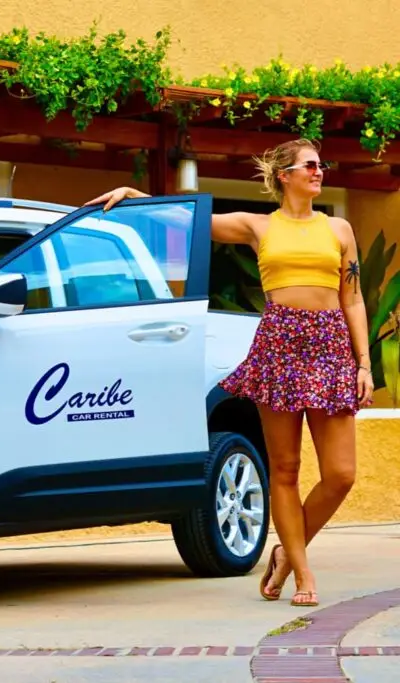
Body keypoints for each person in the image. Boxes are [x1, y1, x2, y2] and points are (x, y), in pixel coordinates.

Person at [84, 138, 374, 608]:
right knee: (284, 469)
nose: (320, 171)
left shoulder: (338, 229)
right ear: (285, 175)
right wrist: (137, 198)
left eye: (322, 165)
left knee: (340, 474)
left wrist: (363, 363)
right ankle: (301, 573)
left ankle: (284, 552)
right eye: (311, 165)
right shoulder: (257, 226)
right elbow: (192, 222)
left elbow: (353, 298)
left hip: (329, 346)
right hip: (278, 344)